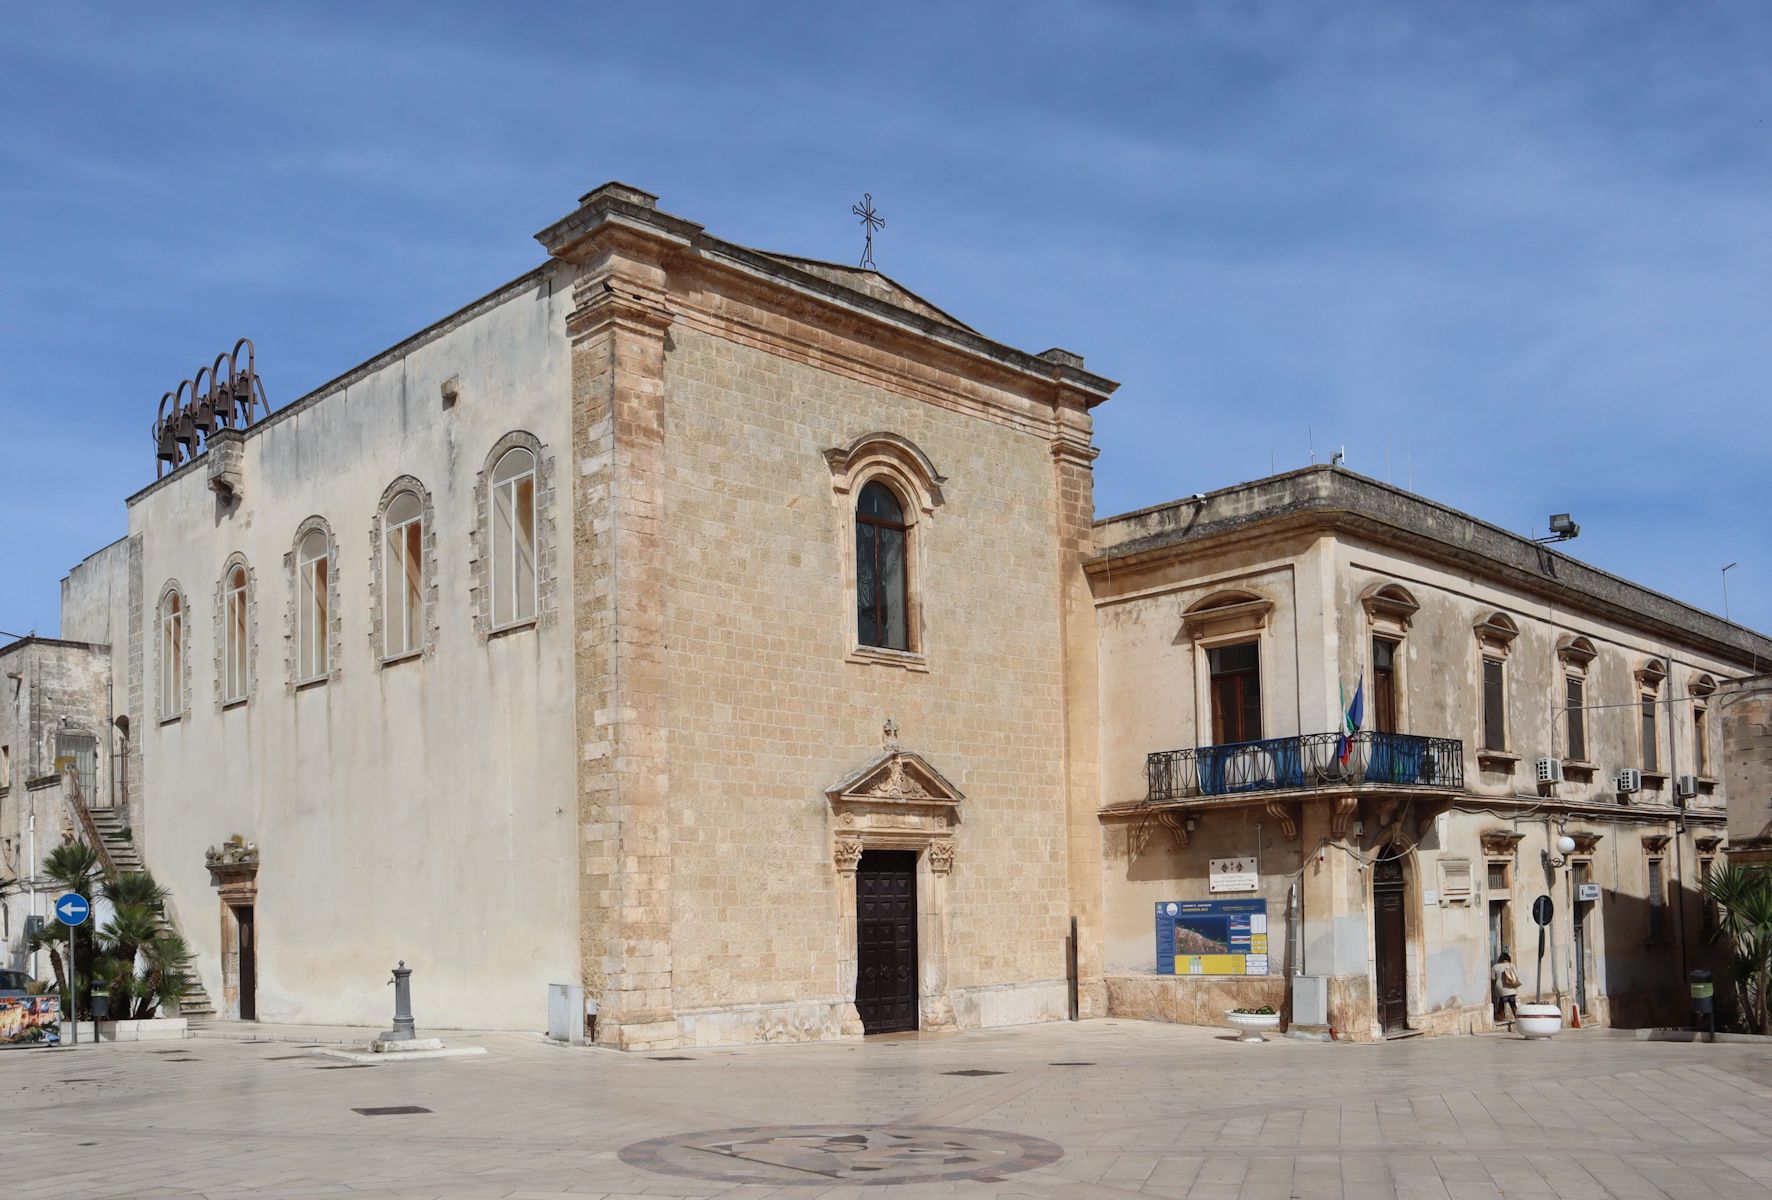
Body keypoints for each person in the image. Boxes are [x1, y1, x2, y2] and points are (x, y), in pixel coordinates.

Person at [1492, 951, 1520, 1022]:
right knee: (1513, 1005)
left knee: (1501, 1004)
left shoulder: (1495, 967)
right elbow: (1516, 976)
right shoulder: (1511, 965)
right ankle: (1518, 1019)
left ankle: (1499, 1017)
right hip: (1511, 988)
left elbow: (1493, 978)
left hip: (1501, 989)